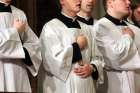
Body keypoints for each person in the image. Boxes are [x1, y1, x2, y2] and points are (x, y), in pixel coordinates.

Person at [40, 0, 103, 93]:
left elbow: (98, 58)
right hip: (63, 87)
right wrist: (77, 47)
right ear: (62, 1)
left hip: (87, 86)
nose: (79, 0)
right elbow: (51, 62)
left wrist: (92, 67)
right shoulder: (51, 28)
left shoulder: (87, 29)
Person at [93, 0, 140, 93]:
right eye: (124, 0)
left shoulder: (135, 30)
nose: (128, 2)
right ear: (110, 2)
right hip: (113, 84)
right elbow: (114, 58)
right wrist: (128, 37)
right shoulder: (100, 27)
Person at [0, 0, 42, 92]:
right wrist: (15, 31)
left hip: (17, 73)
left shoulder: (19, 14)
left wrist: (24, 52)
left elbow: (34, 44)